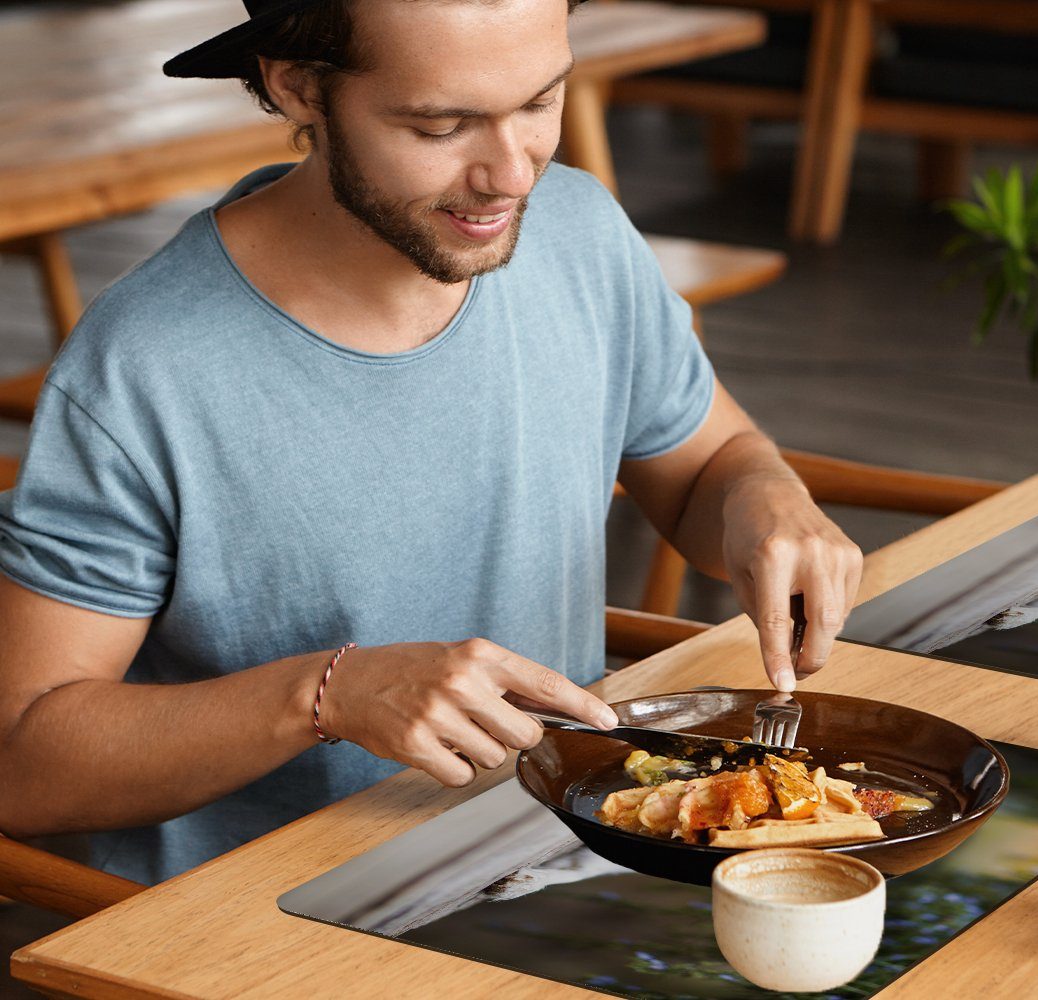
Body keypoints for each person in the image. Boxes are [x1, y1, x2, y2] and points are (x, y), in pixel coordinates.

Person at [0, 0, 862, 884]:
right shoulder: (144, 364)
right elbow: (24, 766)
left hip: (555, 870)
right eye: (442, 125)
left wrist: (768, 499)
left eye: (539, 102)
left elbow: (706, 467)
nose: (512, 175)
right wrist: (327, 695)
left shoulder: (579, 231)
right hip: (263, 929)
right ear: (295, 84)